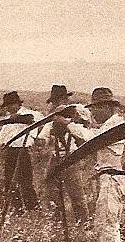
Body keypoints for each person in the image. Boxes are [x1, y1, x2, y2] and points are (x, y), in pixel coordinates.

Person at [54, 87, 125, 242]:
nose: (94, 113)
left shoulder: (115, 125)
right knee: (103, 226)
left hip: (113, 178)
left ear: (107, 107)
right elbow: (90, 137)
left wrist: (68, 125)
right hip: (107, 178)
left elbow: (93, 139)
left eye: (97, 109)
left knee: (107, 227)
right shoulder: (107, 124)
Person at [37, 84, 91, 224]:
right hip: (56, 158)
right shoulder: (52, 120)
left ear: (65, 99)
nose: (57, 103)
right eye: (54, 101)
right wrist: (40, 140)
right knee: (51, 190)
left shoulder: (77, 114)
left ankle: (83, 223)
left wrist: (68, 122)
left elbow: (85, 133)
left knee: (76, 193)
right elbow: (44, 137)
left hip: (71, 157)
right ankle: (57, 221)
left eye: (59, 100)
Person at [0, 91, 43, 213]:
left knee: (25, 181)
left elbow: (32, 120)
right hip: (11, 152)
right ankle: (18, 209)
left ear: (17, 104)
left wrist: (17, 118)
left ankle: (33, 209)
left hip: (23, 151)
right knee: (9, 182)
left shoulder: (29, 114)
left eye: (10, 105)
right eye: (7, 106)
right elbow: (2, 139)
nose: (8, 108)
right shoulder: (7, 120)